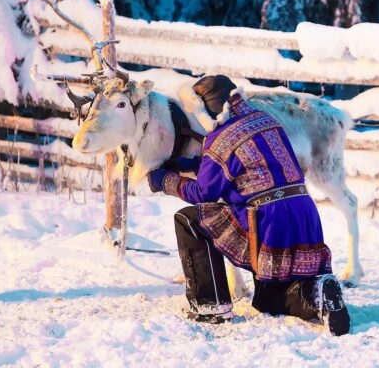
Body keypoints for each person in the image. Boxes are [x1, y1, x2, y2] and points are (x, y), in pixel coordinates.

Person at [147, 74, 350, 336]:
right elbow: (242, 165)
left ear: (207, 109)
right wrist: (185, 165)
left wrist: (164, 180)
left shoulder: (221, 138)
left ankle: (211, 305)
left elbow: (203, 192)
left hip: (267, 220)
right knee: (266, 299)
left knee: (189, 220)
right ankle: (317, 292)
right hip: (303, 213)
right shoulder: (266, 121)